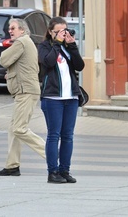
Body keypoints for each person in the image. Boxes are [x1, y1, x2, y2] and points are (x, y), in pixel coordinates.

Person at [38, 17, 85, 183]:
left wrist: (72, 46)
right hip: (52, 98)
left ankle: (65, 170)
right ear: (51, 32)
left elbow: (79, 66)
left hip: (71, 97)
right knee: (54, 135)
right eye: (58, 31)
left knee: (68, 136)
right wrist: (57, 43)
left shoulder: (67, 47)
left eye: (64, 30)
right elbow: (48, 62)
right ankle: (53, 172)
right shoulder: (44, 47)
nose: (62, 34)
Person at [0, 18, 46, 176]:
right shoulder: (26, 42)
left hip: (26, 92)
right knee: (13, 129)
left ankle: (52, 155)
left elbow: (3, 60)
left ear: (22, 30)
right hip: (25, 91)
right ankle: (12, 165)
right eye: (9, 29)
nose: (10, 31)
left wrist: (10, 69)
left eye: (13, 28)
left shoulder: (21, 42)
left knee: (19, 128)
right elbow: (24, 66)